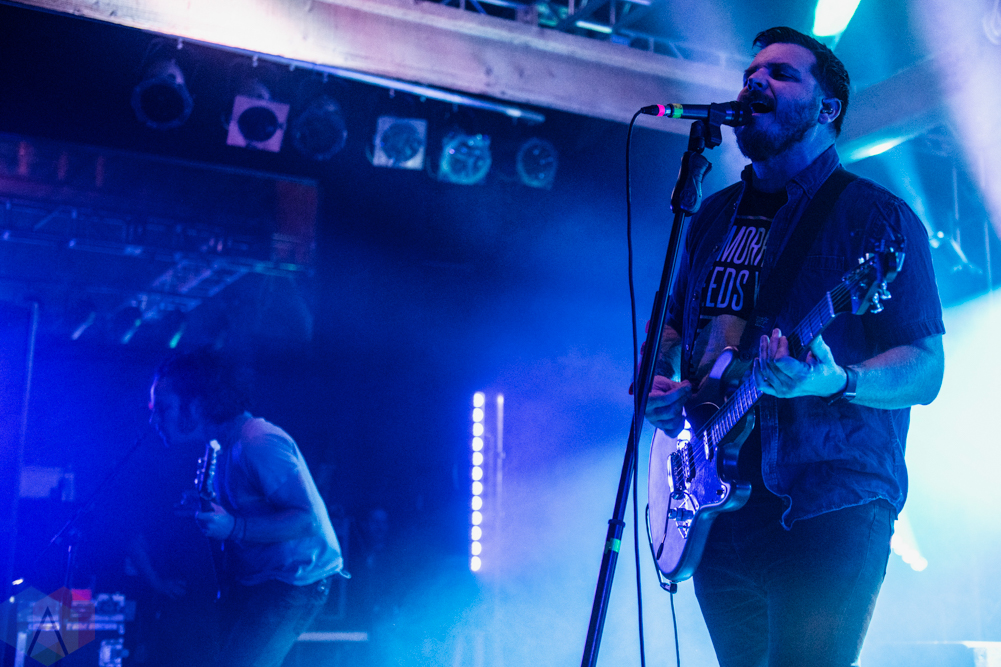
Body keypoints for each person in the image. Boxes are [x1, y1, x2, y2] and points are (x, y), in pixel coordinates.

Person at [644, 26, 946, 667]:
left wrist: (838, 381)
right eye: (750, 73)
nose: (756, 82)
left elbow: (925, 369)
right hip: (716, 502)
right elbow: (672, 326)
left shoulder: (877, 219)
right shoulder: (711, 216)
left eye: (781, 73)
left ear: (827, 107)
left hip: (828, 502)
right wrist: (662, 381)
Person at [148, 348, 344, 667]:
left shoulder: (257, 441)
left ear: (196, 404)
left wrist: (234, 526)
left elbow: (307, 519)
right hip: (261, 581)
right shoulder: (219, 446)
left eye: (163, 408)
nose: (154, 419)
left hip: (294, 582)